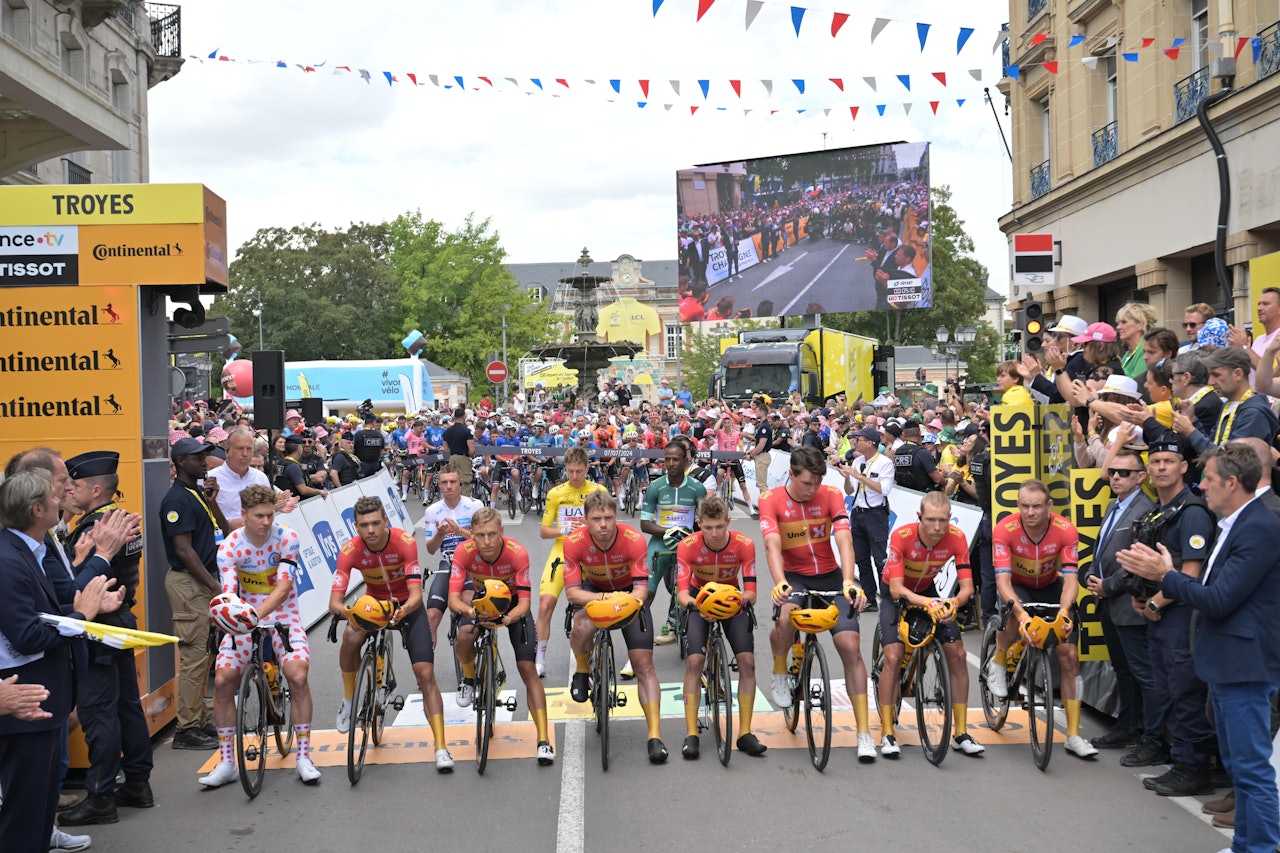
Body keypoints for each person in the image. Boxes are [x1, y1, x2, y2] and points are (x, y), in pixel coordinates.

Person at [1120, 443, 1280, 853]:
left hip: (1245, 667)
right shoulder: (1237, 521)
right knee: (1241, 769)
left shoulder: (1260, 525)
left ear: (1231, 482)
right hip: (1227, 665)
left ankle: (1260, 848)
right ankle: (1244, 844)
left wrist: (1166, 576)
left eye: (1208, 479)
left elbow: (1219, 599)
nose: (1201, 486)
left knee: (1251, 770)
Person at [0, 469, 123, 853]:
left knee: (38, 810)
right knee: (24, 813)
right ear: (37, 509)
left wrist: (80, 607)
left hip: (42, 699)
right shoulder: (8, 558)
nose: (63, 498)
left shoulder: (28, 548)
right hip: (24, 702)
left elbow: (43, 613)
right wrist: (82, 616)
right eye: (54, 496)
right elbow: (28, 634)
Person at [198, 486, 321, 787]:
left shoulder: (287, 538)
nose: (266, 522)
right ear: (243, 515)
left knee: (298, 676)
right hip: (244, 616)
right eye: (259, 516)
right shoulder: (229, 547)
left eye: (270, 515)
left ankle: (303, 756)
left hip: (283, 614)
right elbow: (228, 590)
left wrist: (258, 614)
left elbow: (282, 588)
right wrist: (233, 614)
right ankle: (227, 762)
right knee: (223, 680)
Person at [1114, 438, 1217, 792]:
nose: (1160, 467)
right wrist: (1141, 598)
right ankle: (1180, 761)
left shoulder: (1192, 512)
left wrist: (1156, 602)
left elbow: (1191, 573)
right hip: (1157, 614)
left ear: (1183, 467)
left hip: (1180, 616)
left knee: (1185, 694)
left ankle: (1194, 768)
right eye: (1155, 461)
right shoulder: (1159, 510)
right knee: (1168, 691)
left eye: (1168, 461)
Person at [760, 445, 876, 761]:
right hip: (794, 576)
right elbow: (771, 545)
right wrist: (779, 582)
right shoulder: (770, 500)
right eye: (806, 483)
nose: (813, 490)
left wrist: (850, 582)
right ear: (791, 474)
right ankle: (780, 670)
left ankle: (864, 733)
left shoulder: (831, 495)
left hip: (829, 576)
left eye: (817, 483)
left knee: (851, 647)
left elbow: (844, 540)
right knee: (785, 619)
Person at [57, 451, 153, 826]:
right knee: (127, 705)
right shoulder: (123, 521)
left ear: (95, 490)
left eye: (76, 485)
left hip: (97, 625)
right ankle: (138, 783)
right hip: (120, 620)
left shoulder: (94, 529)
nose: (69, 490)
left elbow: (74, 579)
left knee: (100, 712)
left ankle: (100, 796)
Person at [330, 497, 454, 772]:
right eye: (364, 525)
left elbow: (414, 596)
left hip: (406, 607)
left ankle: (441, 747)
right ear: (356, 527)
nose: (371, 530)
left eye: (376, 523)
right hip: (373, 606)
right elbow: (334, 603)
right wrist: (350, 613)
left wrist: (403, 611)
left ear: (386, 521)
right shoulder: (350, 549)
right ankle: (349, 700)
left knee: (425, 675)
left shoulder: (404, 542)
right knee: (351, 636)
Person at [985, 480, 1097, 759]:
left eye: (1037, 506)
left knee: (1069, 655)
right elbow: (1002, 581)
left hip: (1050, 584)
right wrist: (1021, 614)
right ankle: (999, 661)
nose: (1030, 512)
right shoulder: (1005, 529)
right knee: (1013, 613)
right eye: (1024, 506)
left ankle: (1073, 735)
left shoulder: (1065, 529)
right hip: (1018, 585)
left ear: (1049, 506)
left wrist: (1064, 612)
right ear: (1018, 505)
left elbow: (1071, 578)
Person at [563, 492, 667, 763]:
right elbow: (573, 593)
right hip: (593, 591)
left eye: (609, 518)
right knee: (581, 626)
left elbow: (642, 590)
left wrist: (619, 602)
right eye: (596, 519)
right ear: (585, 520)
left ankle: (654, 736)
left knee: (644, 665)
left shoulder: (633, 540)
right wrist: (602, 599)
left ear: (616, 517)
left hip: (628, 595)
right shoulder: (574, 542)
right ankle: (583, 669)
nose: (603, 525)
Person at [878, 492, 984, 757]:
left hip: (929, 591)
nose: (938, 528)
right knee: (893, 656)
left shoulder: (957, 538)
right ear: (919, 518)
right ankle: (887, 733)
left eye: (943, 521)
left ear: (950, 518)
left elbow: (967, 588)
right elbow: (896, 588)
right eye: (931, 520)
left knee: (958, 654)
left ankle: (960, 732)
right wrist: (928, 604)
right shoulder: (901, 536)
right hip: (900, 592)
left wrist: (953, 605)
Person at [447, 508, 554, 766]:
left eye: (492, 534)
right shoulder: (463, 552)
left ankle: (543, 740)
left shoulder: (517, 554)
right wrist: (472, 611)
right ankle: (469, 679)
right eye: (480, 535)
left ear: (502, 533)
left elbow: (525, 605)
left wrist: (506, 620)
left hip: (513, 605)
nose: (486, 541)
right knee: (463, 637)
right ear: (471, 535)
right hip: (480, 601)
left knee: (528, 668)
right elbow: (453, 600)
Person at [674, 495, 766, 759]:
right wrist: (700, 606)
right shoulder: (687, 546)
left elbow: (751, 592)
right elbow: (682, 595)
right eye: (707, 528)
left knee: (747, 662)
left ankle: (745, 733)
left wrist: (731, 605)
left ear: (728, 522)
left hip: (732, 600)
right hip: (698, 600)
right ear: (699, 523)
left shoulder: (744, 545)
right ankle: (692, 733)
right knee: (694, 663)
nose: (714, 534)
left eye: (719, 527)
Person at [1083, 450, 1158, 753]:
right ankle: (1128, 727)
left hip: (1129, 603)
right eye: (1112, 471)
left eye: (1124, 472)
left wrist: (1107, 586)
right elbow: (1102, 549)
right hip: (1110, 602)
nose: (1115, 476)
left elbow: (1139, 561)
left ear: (1141, 477)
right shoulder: (1115, 506)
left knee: (1142, 673)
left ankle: (1151, 738)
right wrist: (1091, 575)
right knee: (1123, 669)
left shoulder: (1144, 509)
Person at [159, 438, 225, 751]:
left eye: (205, 457)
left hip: (202, 581)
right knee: (194, 658)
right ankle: (187, 729)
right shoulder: (176, 500)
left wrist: (212, 501)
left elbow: (221, 531)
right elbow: (183, 550)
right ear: (180, 462)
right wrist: (213, 586)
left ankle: (197, 719)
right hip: (189, 584)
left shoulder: (196, 493)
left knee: (204, 652)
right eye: (197, 457)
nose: (204, 462)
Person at [535, 446, 606, 678]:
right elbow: (544, 532)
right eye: (570, 471)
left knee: (600, 604)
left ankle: (598, 650)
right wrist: (565, 528)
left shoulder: (598, 491)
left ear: (587, 468)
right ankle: (540, 658)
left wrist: (590, 527)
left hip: (590, 552)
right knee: (545, 605)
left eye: (579, 471)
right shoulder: (556, 493)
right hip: (562, 550)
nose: (574, 476)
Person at [639, 441, 707, 653]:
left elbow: (706, 519)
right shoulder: (655, 487)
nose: (670, 463)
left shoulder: (697, 488)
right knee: (645, 594)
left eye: (675, 459)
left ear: (685, 460)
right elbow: (645, 524)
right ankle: (638, 645)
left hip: (687, 545)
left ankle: (699, 640)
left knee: (695, 591)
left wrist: (691, 535)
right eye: (667, 459)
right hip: (660, 544)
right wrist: (667, 531)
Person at [1175, 346, 1279, 454]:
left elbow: (1230, 460)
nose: (1210, 382)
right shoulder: (1229, 405)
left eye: (1216, 375)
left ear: (1238, 374)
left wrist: (1190, 431)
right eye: (1210, 375)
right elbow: (1213, 446)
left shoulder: (1254, 412)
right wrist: (1193, 420)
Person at [422, 468, 482, 653]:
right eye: (444, 482)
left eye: (453, 482)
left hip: (472, 563)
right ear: (439, 485)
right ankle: (426, 670)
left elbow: (486, 540)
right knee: (431, 616)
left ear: (460, 483)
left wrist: (459, 531)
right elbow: (431, 549)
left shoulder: (475, 506)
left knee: (466, 603)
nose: (448, 486)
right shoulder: (433, 511)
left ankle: (470, 653)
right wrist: (440, 535)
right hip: (447, 563)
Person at [840, 427, 895, 614]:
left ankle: (887, 599)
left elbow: (885, 489)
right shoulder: (857, 461)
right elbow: (849, 491)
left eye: (859, 439)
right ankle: (870, 598)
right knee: (861, 559)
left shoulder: (884, 463)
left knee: (880, 559)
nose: (856, 442)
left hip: (876, 514)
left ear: (870, 442)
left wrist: (859, 476)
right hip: (858, 513)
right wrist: (848, 478)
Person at [207, 428, 275, 530]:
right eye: (240, 448)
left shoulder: (260, 477)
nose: (245, 454)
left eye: (249, 449)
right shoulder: (211, 478)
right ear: (227, 450)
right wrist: (229, 524)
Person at [892, 422, 944, 494]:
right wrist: (946, 482)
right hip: (922, 495)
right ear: (919, 432)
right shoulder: (922, 453)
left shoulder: (898, 452)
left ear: (904, 434)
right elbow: (938, 479)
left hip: (903, 494)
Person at [274, 435, 329, 500]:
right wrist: (320, 491)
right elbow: (303, 490)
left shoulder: (280, 462)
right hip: (295, 502)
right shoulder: (293, 466)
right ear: (299, 448)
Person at [743, 407, 773, 516]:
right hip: (760, 455)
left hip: (762, 456)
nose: (756, 413)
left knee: (762, 485)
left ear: (762, 412)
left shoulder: (764, 427)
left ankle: (767, 509)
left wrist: (751, 454)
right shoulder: (762, 425)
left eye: (758, 411)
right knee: (761, 483)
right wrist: (752, 452)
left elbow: (761, 445)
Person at [352, 413, 387, 479]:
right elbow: (381, 453)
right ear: (374, 422)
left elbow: (353, 450)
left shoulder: (359, 434)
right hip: (375, 465)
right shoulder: (379, 435)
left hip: (362, 466)